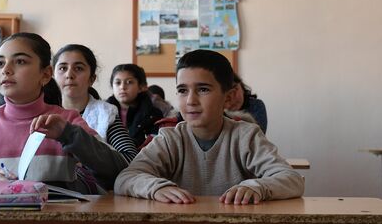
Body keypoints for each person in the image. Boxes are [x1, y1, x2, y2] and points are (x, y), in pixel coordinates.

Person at [114, 50, 304, 205]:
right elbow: (126, 178)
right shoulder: (170, 139)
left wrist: (256, 187)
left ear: (228, 98)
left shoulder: (246, 136)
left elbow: (292, 179)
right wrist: (156, 187)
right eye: (182, 90)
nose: (190, 101)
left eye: (203, 89)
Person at [0, 33, 128, 193]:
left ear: (45, 74)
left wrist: (68, 134)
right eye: (0, 63)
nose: (6, 69)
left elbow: (118, 170)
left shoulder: (66, 121)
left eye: (20, 61)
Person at [53, 44, 138, 163]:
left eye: (78, 68)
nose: (69, 75)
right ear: (52, 75)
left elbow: (130, 158)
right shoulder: (41, 111)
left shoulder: (105, 114)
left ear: (92, 79)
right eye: (62, 68)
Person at [106, 64, 163, 148]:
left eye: (129, 82)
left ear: (141, 87)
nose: (122, 87)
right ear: (112, 86)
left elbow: (155, 146)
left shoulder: (153, 114)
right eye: (118, 83)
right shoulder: (103, 111)